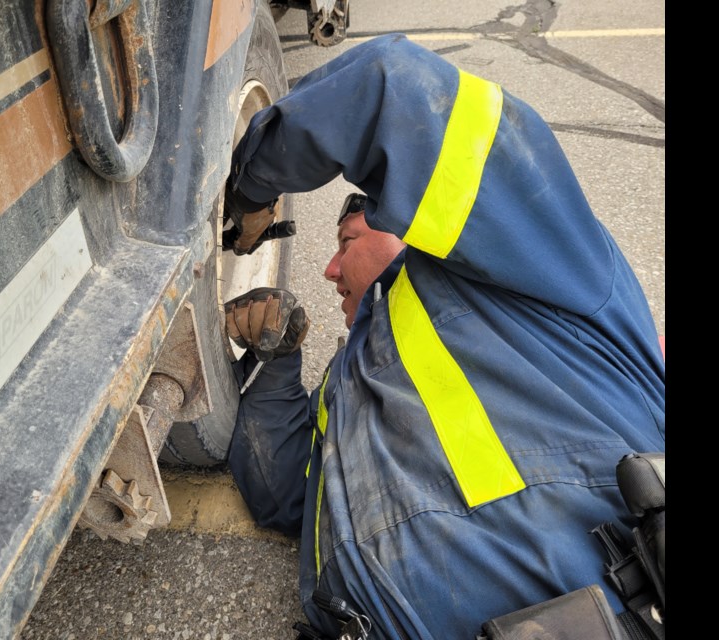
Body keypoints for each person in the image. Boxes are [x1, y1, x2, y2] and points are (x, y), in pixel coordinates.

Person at [220, 34, 665, 640]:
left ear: (399, 224)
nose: (328, 270)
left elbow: (395, 88)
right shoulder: (349, 381)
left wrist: (252, 187)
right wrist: (276, 361)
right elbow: (287, 501)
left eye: (345, 242)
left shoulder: (531, 269)